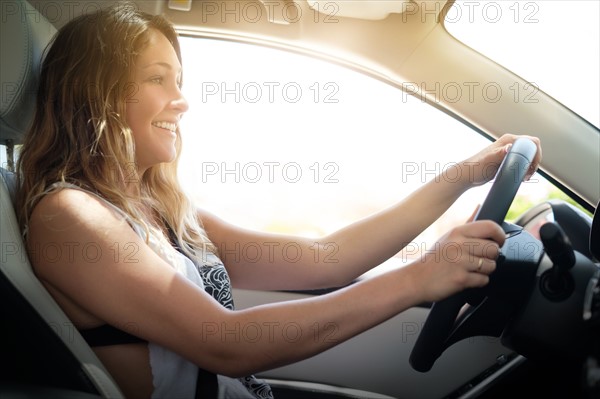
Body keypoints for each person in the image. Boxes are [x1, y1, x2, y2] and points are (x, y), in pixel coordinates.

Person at [15, 3, 542, 399]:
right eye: (158, 80)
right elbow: (223, 342)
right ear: (97, 95)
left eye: (179, 80)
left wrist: (461, 177)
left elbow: (324, 260)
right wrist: (418, 279)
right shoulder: (68, 216)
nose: (183, 100)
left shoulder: (159, 207)